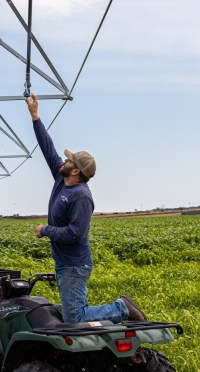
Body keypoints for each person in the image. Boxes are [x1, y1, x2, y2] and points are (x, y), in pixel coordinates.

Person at [25, 93, 147, 324]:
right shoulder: (62, 179)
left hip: (74, 265)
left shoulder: (81, 197)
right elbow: (48, 149)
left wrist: (46, 230)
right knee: (74, 312)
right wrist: (35, 117)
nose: (64, 160)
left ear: (76, 171)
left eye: (69, 161)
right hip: (65, 263)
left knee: (75, 317)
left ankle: (122, 309)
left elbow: (74, 233)